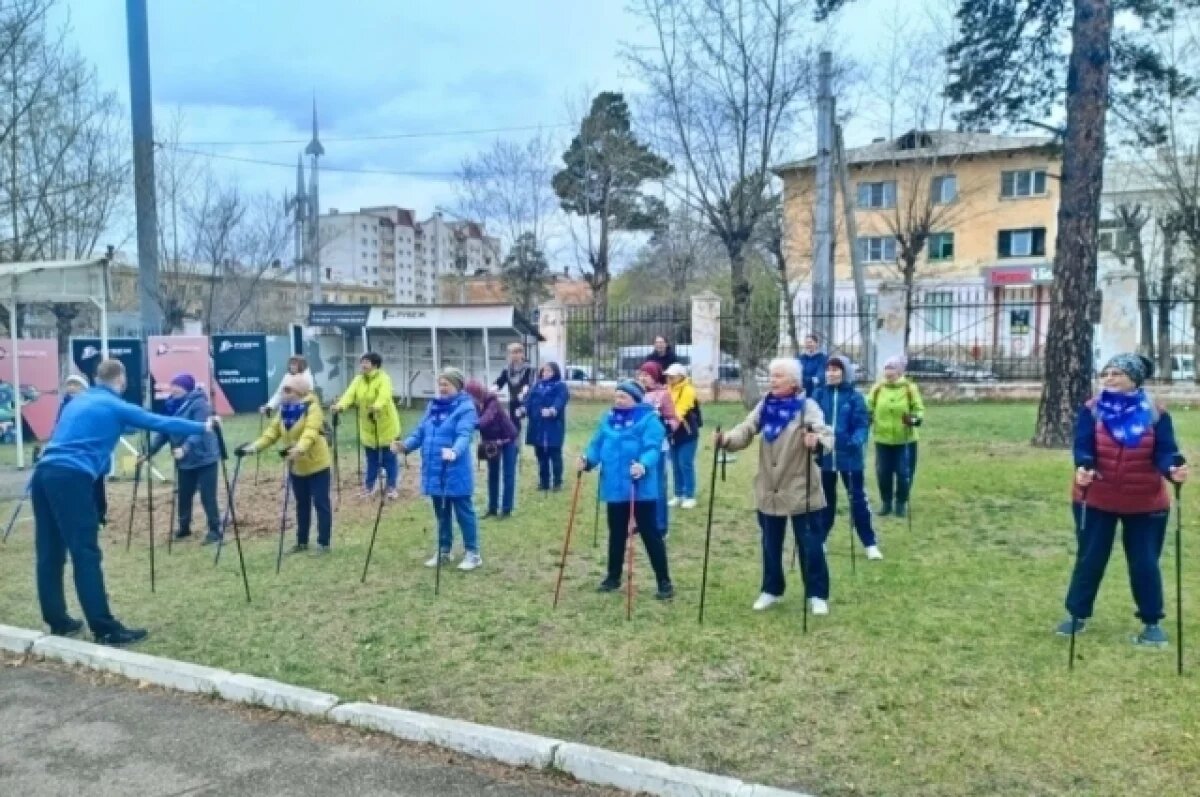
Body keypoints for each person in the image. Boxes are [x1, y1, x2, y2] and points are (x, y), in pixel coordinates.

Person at [33, 358, 216, 646]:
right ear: (122, 380)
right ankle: (105, 628)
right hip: (72, 477)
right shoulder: (116, 405)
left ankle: (58, 621)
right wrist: (203, 426)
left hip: (44, 474)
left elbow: (119, 428)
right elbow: (158, 422)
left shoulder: (77, 401)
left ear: (96, 378)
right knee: (86, 553)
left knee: (49, 551)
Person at [1057, 353, 1189, 647]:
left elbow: (1166, 452)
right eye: (1106, 373)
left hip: (1145, 502)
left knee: (1144, 563)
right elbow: (1083, 446)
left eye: (1117, 373)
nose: (1109, 378)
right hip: (1096, 497)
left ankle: (1152, 622)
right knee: (1090, 558)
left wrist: (1173, 469)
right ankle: (1077, 615)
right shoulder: (1092, 410)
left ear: (1134, 379)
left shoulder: (1156, 414)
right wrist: (1084, 467)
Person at [717, 358, 833, 614]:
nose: (773, 380)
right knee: (771, 543)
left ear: (793, 382)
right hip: (769, 486)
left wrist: (816, 441)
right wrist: (727, 439)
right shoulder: (765, 405)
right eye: (771, 376)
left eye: (779, 376)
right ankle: (771, 589)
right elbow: (747, 429)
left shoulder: (806, 406)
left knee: (810, 543)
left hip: (801, 484)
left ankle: (817, 594)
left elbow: (825, 433)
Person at [577, 379, 674, 600]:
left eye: (623, 396)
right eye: (616, 396)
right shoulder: (608, 419)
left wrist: (644, 464)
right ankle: (613, 577)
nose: (618, 400)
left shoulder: (650, 420)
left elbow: (653, 447)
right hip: (615, 486)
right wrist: (588, 460)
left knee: (650, 534)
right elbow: (596, 445)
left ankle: (664, 581)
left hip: (640, 486)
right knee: (616, 533)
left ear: (635, 399)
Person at [394, 367, 482, 571]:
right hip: (434, 469)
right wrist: (405, 445)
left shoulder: (466, 408)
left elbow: (465, 434)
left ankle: (473, 553)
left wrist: (455, 451)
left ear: (457, 385)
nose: (442, 388)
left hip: (455, 469)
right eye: (440, 384)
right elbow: (420, 432)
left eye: (446, 384)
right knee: (441, 513)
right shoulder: (432, 407)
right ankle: (444, 550)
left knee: (464, 513)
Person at [239, 371, 334, 553]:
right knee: (301, 504)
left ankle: (323, 542)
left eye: (288, 391)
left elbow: (311, 432)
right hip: (296, 465)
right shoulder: (283, 410)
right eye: (284, 390)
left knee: (321, 503)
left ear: (299, 393)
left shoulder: (312, 408)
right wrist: (252, 448)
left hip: (316, 463)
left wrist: (300, 448)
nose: (283, 394)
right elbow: (271, 434)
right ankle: (302, 541)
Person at [814, 356, 882, 560]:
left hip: (849, 458)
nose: (831, 373)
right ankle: (821, 539)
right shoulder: (818, 394)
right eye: (829, 369)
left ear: (845, 373)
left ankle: (869, 543)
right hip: (824, 457)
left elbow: (862, 424)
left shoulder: (854, 397)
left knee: (858, 501)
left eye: (836, 369)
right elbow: (811, 420)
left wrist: (857, 439)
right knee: (824, 502)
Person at [144, 374, 222, 545]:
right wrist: (149, 452)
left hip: (204, 457)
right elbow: (164, 431)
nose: (173, 389)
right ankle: (184, 527)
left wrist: (185, 448)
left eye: (177, 386)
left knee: (207, 496)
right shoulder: (171, 405)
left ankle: (215, 530)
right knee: (184, 495)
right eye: (172, 386)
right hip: (184, 460)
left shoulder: (200, 404)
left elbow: (201, 430)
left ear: (186, 388)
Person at [331, 353, 401, 500]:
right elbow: (349, 395)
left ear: (375, 364)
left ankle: (391, 487)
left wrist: (377, 406)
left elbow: (385, 395)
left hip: (385, 425)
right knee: (371, 459)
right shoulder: (358, 380)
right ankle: (369, 487)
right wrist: (340, 406)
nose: (363, 365)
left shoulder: (384, 378)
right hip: (368, 426)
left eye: (367, 362)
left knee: (389, 459)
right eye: (362, 362)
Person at [866, 356, 924, 518]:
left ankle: (900, 503)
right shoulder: (877, 388)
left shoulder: (909, 388)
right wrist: (866, 418)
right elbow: (868, 406)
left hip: (905, 439)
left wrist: (912, 419)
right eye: (886, 368)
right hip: (882, 438)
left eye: (892, 368)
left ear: (899, 372)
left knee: (904, 472)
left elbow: (919, 410)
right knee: (883, 472)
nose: (888, 372)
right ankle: (886, 502)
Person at [58, 374, 107, 529]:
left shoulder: (92, 403)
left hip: (91, 452)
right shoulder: (64, 405)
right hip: (71, 453)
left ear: (84, 387)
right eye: (69, 384)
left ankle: (99, 515)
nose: (71, 387)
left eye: (75, 384)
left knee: (95, 485)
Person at [636, 362, 679, 536]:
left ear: (654, 376)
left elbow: (674, 419)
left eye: (646, 375)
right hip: (638, 446)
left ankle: (661, 526)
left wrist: (664, 424)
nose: (642, 377)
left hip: (658, 448)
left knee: (658, 486)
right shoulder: (636, 393)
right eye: (641, 374)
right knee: (640, 485)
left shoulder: (663, 394)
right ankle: (642, 521)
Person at [465, 379, 518, 519]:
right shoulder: (475, 404)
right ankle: (492, 508)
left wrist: (469, 424)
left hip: (508, 440)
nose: (469, 398)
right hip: (492, 442)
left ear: (476, 393)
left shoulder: (492, 402)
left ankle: (506, 509)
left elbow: (485, 421)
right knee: (492, 475)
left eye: (470, 395)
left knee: (508, 475)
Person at [525, 362, 569, 491]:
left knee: (554, 454)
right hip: (538, 425)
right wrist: (523, 409)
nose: (545, 373)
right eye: (544, 371)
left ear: (555, 372)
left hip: (553, 426)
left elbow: (561, 400)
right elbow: (529, 400)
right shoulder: (537, 385)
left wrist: (552, 410)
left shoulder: (560, 386)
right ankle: (544, 482)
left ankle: (557, 482)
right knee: (540, 455)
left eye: (549, 371)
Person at [665, 363, 701, 510]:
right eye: (668, 375)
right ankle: (678, 494)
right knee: (674, 465)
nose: (669, 378)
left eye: (672, 376)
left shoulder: (688, 390)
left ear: (681, 376)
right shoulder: (668, 389)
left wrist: (669, 420)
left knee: (685, 464)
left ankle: (690, 495)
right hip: (672, 433)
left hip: (687, 433)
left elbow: (680, 410)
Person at [493, 342, 535, 428]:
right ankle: (515, 441)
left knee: (522, 424)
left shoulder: (528, 368)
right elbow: (500, 381)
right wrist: (493, 388)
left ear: (522, 354)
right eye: (512, 353)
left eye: (516, 352)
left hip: (525, 401)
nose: (514, 355)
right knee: (513, 425)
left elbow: (528, 383)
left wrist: (523, 392)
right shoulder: (507, 369)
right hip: (513, 400)